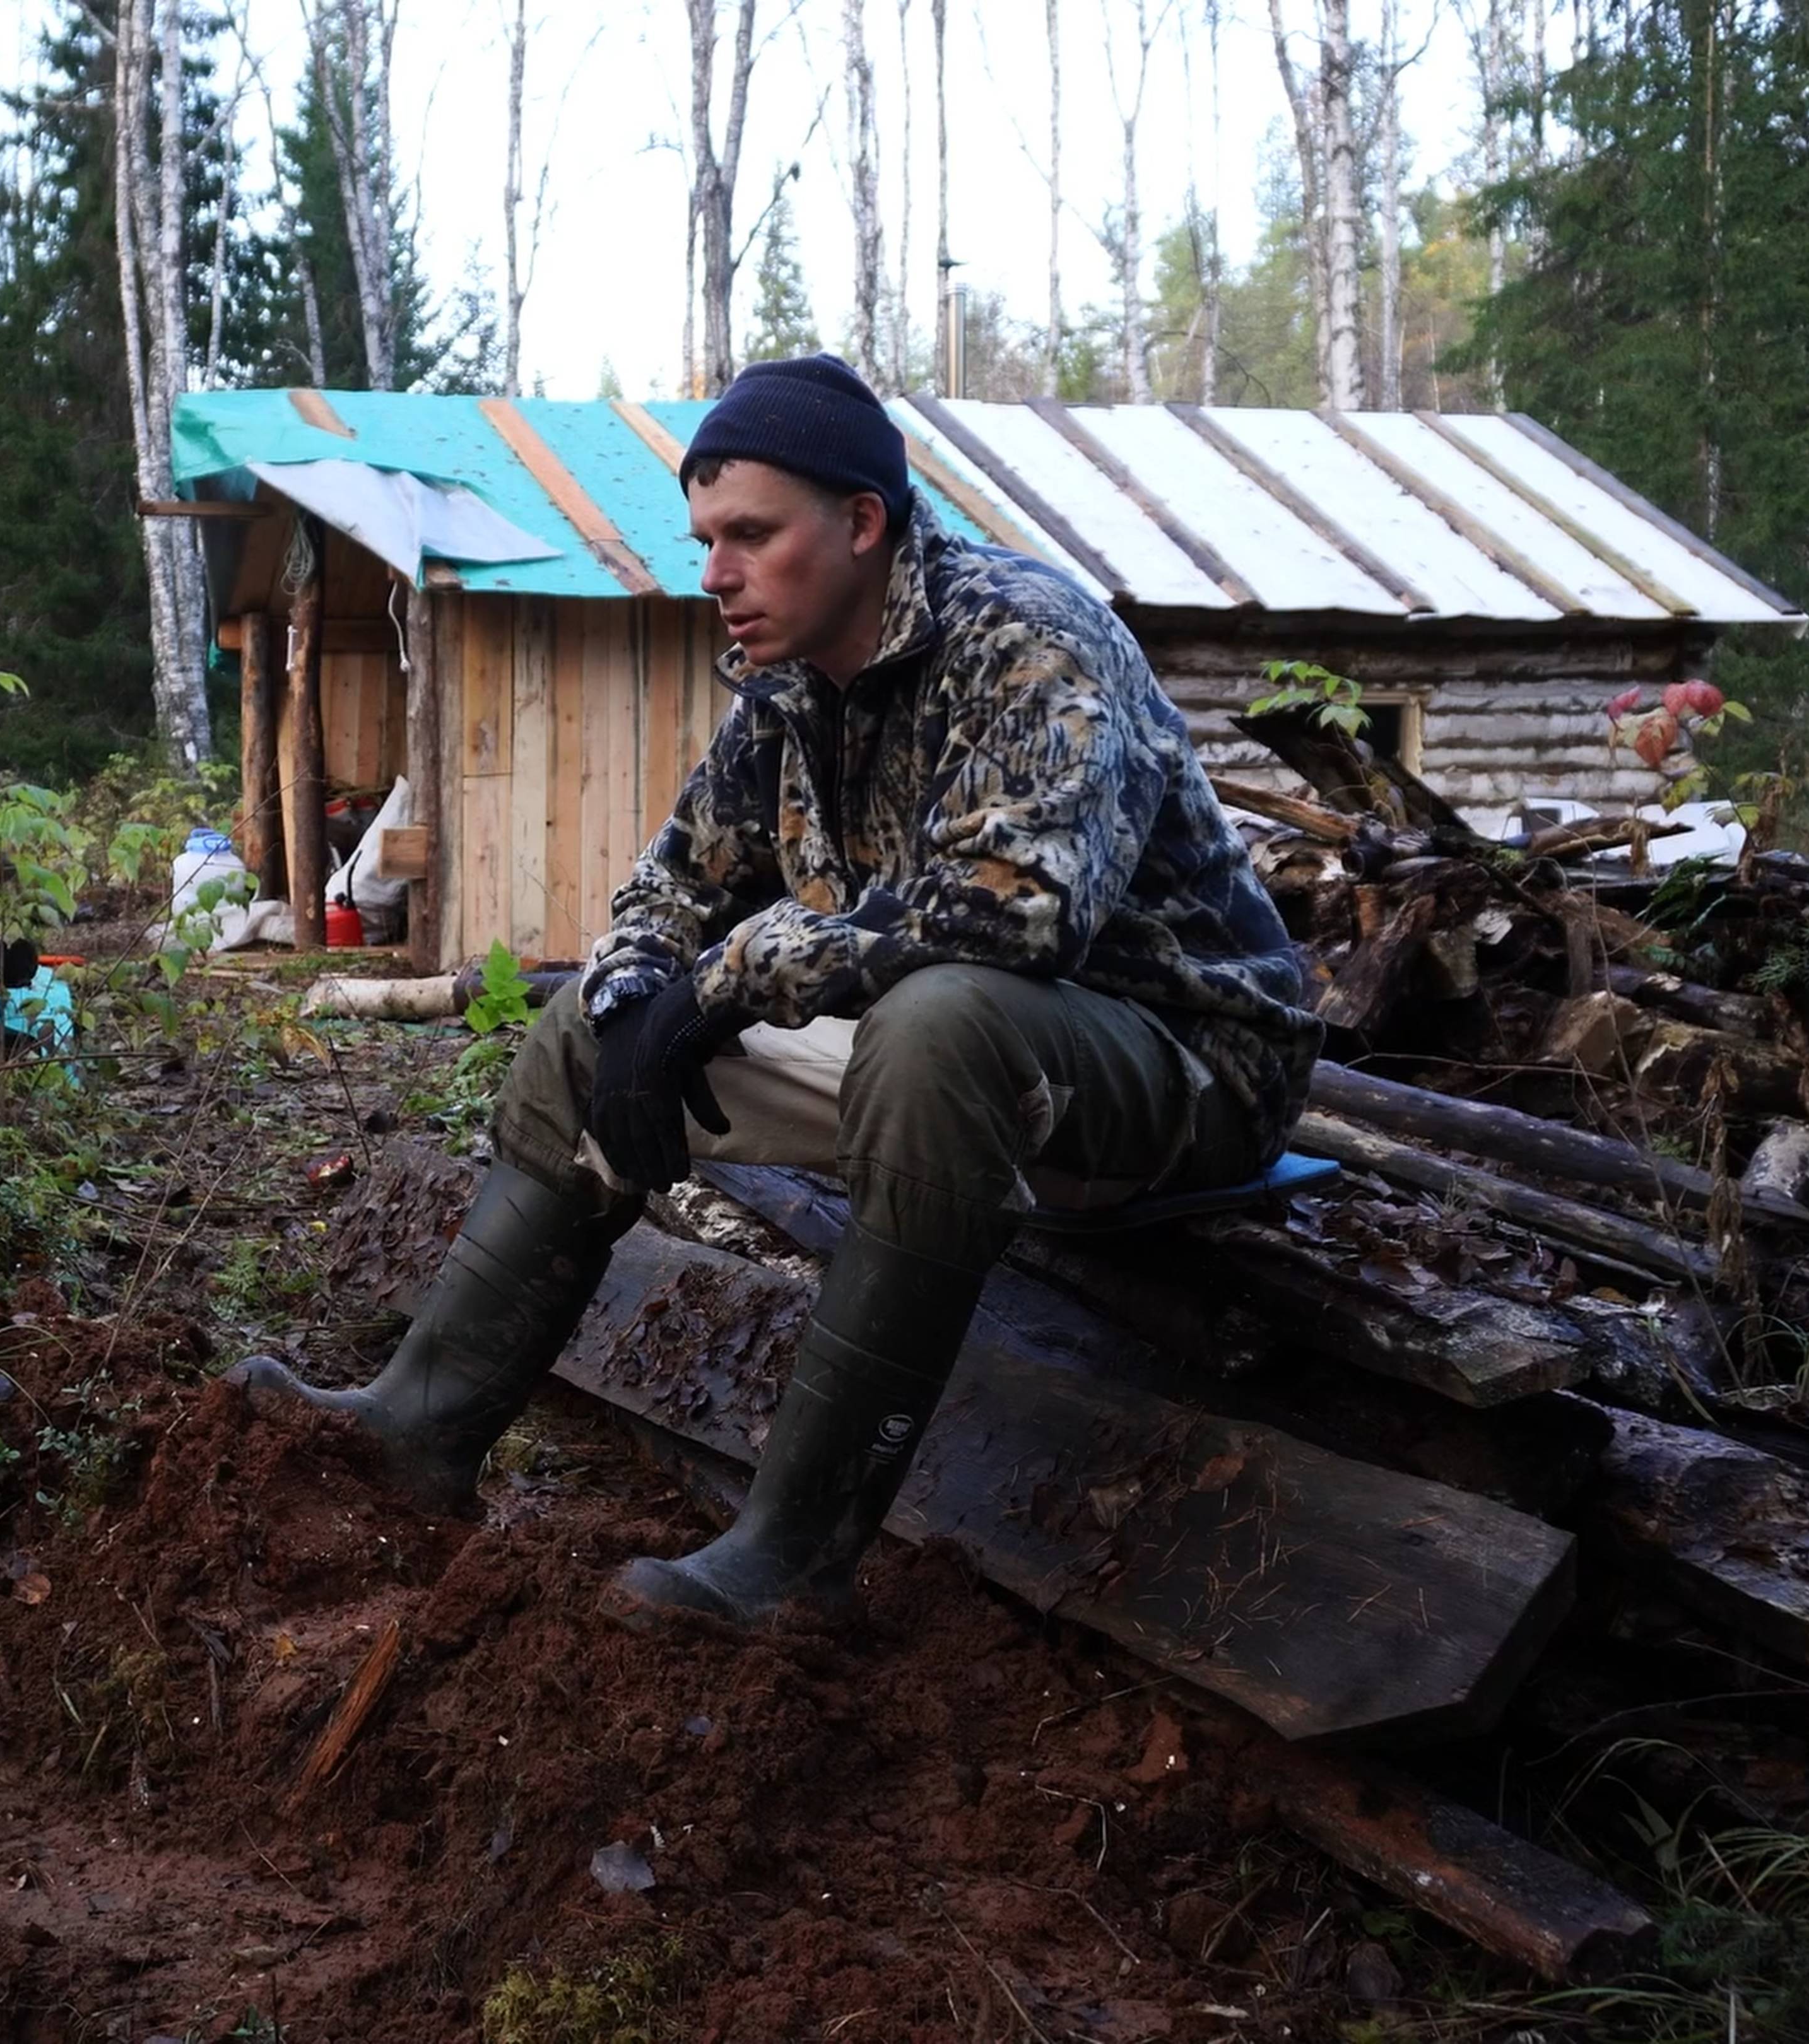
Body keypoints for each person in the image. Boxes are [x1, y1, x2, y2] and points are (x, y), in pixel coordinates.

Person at [234, 355, 1321, 1631]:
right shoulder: (788, 685)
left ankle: (795, 1562)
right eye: (706, 541)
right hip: (977, 1065)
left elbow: (1018, 910)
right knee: (591, 1026)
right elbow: (667, 892)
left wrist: (733, 979)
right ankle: (419, 1428)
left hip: (1186, 1066)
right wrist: (647, 998)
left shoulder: (1029, 640)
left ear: (862, 522)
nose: (715, 575)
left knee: (939, 1024)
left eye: (750, 536)